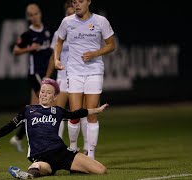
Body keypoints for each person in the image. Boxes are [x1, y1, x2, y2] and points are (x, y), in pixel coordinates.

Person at [0, 78, 108, 179]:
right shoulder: (28, 110)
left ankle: (75, 168)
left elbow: (76, 114)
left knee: (101, 170)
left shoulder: (57, 111)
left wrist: (97, 110)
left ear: (54, 97)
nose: (44, 94)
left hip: (62, 152)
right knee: (38, 167)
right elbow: (8, 128)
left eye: (48, 92)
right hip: (41, 156)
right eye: (42, 91)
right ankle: (27, 175)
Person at [54, 0, 116, 159]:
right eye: (75, 2)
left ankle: (91, 154)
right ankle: (73, 148)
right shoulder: (67, 22)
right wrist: (56, 59)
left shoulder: (100, 21)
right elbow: (59, 41)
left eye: (80, 1)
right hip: (74, 72)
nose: (77, 4)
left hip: (94, 71)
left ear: (88, 2)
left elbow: (111, 45)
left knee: (92, 113)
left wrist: (95, 53)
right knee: (75, 114)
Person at [10, 3, 53, 152]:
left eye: (36, 13)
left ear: (40, 13)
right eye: (31, 14)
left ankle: (18, 137)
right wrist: (29, 48)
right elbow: (15, 50)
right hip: (35, 74)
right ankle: (39, 140)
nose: (34, 16)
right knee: (44, 106)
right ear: (28, 17)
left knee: (35, 109)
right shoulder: (27, 34)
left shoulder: (47, 31)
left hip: (45, 73)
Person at [48, 0, 89, 155]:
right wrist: (47, 78)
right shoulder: (59, 33)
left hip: (79, 75)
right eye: (69, 13)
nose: (72, 15)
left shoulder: (83, 31)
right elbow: (54, 57)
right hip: (62, 76)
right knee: (58, 111)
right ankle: (58, 145)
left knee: (81, 111)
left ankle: (85, 147)